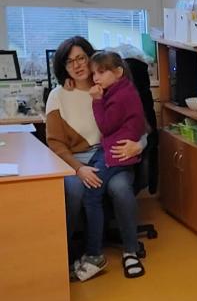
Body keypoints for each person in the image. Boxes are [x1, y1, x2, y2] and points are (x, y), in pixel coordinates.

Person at [45, 37, 145, 278]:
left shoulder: (109, 87)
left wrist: (139, 145)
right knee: (75, 189)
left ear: (91, 59)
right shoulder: (58, 95)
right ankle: (64, 252)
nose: (77, 65)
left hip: (113, 155)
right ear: (63, 67)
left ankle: (130, 251)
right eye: (69, 62)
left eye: (81, 58)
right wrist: (79, 169)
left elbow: (141, 126)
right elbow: (55, 143)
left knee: (120, 188)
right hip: (76, 160)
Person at [74, 51, 146, 281]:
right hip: (109, 153)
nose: (96, 77)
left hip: (117, 155)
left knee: (92, 193)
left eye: (101, 72)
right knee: (92, 191)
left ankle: (97, 253)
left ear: (118, 72)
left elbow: (106, 126)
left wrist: (97, 100)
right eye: (94, 73)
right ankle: (96, 250)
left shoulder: (119, 95)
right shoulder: (119, 90)